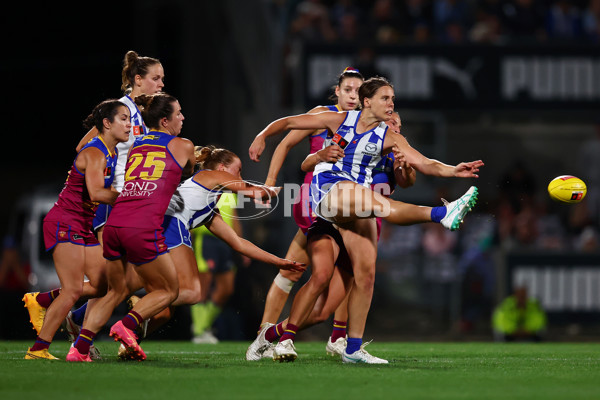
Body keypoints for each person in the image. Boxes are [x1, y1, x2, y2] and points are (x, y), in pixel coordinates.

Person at [249, 76, 483, 363]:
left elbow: (424, 163)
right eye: (386, 98)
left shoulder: (391, 137)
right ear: (367, 101)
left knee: (366, 274)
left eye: (393, 99)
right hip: (329, 192)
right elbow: (288, 124)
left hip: (357, 204)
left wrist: (453, 170)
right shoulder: (338, 119)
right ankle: (441, 213)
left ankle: (350, 348)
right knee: (377, 205)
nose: (391, 103)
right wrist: (262, 135)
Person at [23, 51, 165, 350]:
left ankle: (62, 313)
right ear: (138, 80)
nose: (161, 84)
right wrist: (94, 171)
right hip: (112, 206)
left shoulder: (146, 115)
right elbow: (83, 146)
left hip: (129, 203)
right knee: (122, 280)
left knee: (117, 281)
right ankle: (77, 339)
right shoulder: (122, 109)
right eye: (156, 78)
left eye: (162, 79)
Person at [246, 111, 415, 361]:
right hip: (331, 218)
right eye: (390, 122)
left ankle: (273, 335)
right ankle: (288, 338)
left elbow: (407, 181)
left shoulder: (395, 154)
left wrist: (405, 165)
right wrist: (313, 156)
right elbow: (306, 163)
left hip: (363, 231)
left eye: (398, 126)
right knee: (317, 275)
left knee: (321, 312)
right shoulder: (350, 136)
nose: (394, 128)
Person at [65, 92, 195, 362]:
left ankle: (79, 349)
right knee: (169, 290)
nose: (182, 117)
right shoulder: (183, 145)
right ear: (164, 120)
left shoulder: (136, 144)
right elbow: (188, 170)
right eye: (178, 113)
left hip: (115, 222)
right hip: (142, 226)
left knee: (116, 291)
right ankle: (128, 324)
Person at [246, 67, 364, 360]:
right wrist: (270, 183)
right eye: (347, 89)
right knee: (327, 273)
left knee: (306, 270)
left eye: (358, 92)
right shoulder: (325, 115)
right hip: (316, 202)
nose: (353, 96)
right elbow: (286, 142)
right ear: (337, 91)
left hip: (346, 205)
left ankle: (329, 335)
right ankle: (272, 334)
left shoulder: (364, 123)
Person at [23, 99, 130, 360]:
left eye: (130, 118)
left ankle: (42, 300)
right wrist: (130, 196)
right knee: (72, 290)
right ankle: (38, 350)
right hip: (64, 222)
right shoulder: (96, 153)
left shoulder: (111, 151)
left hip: (82, 225)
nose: (129, 125)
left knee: (101, 286)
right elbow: (96, 192)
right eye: (124, 119)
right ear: (107, 124)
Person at [190, 192, 248, 344]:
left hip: (226, 242)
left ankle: (204, 325)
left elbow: (234, 219)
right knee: (204, 286)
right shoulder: (205, 186)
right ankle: (199, 330)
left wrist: (242, 248)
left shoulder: (230, 190)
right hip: (207, 239)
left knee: (226, 289)